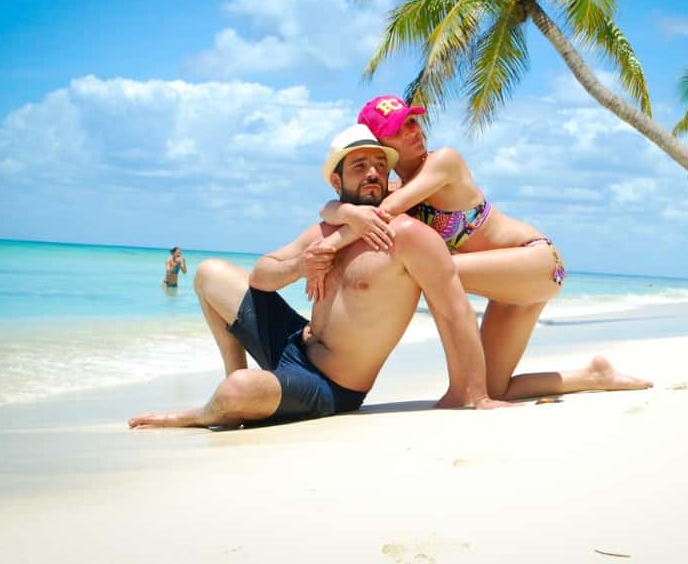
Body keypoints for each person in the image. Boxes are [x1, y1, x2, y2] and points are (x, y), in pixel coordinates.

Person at [129, 125, 515, 429]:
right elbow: (263, 276)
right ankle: (237, 381)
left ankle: (212, 410)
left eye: (380, 165)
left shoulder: (408, 237)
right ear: (337, 181)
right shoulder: (325, 232)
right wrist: (300, 267)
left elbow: (455, 310)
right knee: (210, 273)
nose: (373, 173)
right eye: (360, 166)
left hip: (333, 386)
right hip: (293, 345)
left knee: (238, 393)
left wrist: (475, 393)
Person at [315, 95, 649, 402]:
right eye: (398, 129)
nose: (413, 132)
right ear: (379, 143)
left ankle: (458, 392)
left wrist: (329, 246)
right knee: (494, 387)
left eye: (412, 122)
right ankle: (591, 375)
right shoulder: (394, 188)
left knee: (424, 269)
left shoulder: (444, 162)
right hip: (509, 290)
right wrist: (345, 212)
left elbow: (382, 214)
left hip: (537, 261)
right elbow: (335, 206)